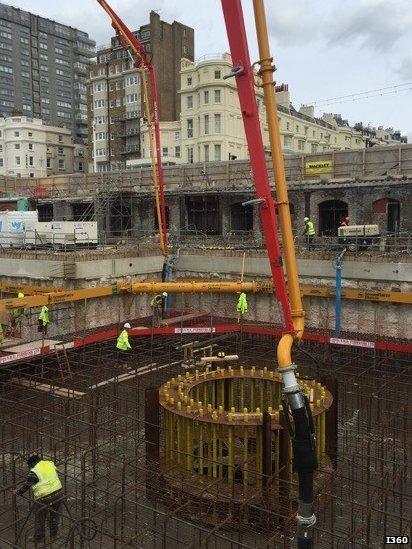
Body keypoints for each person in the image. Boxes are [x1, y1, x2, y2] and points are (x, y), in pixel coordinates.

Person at [13, 454, 63, 544]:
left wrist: (18, 492)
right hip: (58, 493)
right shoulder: (49, 463)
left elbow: (27, 485)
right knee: (55, 515)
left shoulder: (34, 471)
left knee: (40, 516)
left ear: (32, 463)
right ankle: (54, 536)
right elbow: (55, 472)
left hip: (44, 498)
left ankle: (39, 536)